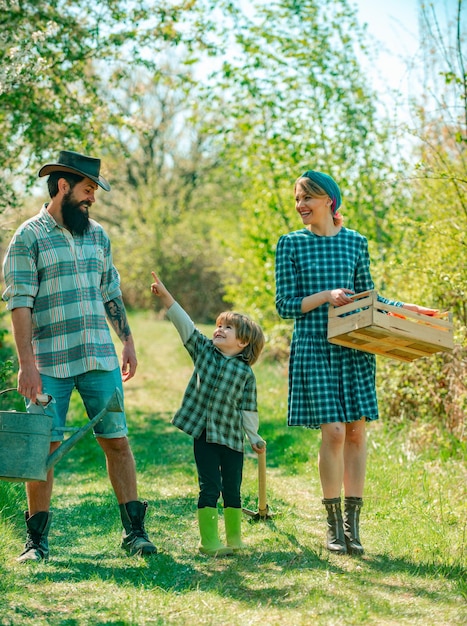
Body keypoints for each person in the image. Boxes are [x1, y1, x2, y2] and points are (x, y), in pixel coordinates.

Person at [2, 150, 157, 562]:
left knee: (117, 442)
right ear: (63, 186)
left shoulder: (98, 235)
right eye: (88, 190)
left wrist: (127, 339)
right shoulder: (28, 237)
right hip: (48, 364)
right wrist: (26, 365)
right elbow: (20, 304)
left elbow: (110, 290)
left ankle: (135, 533)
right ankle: (36, 541)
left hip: (98, 360)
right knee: (41, 449)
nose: (92, 198)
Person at [274, 170, 438, 555]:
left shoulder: (355, 243)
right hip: (314, 345)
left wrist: (407, 309)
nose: (300, 205)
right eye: (297, 199)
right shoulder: (291, 244)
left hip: (354, 346)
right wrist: (326, 295)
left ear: (329, 201)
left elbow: (369, 297)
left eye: (306, 198)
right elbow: (284, 305)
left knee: (355, 433)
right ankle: (332, 527)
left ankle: (353, 527)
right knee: (332, 431)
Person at [150, 271, 266, 556]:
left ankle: (235, 539)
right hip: (204, 435)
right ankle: (209, 541)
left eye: (228, 328)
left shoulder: (245, 373)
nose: (219, 330)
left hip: (232, 440)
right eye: (218, 325)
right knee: (209, 487)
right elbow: (185, 326)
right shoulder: (203, 350)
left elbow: (247, 408)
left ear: (243, 343)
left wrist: (254, 436)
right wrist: (166, 298)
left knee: (233, 490)